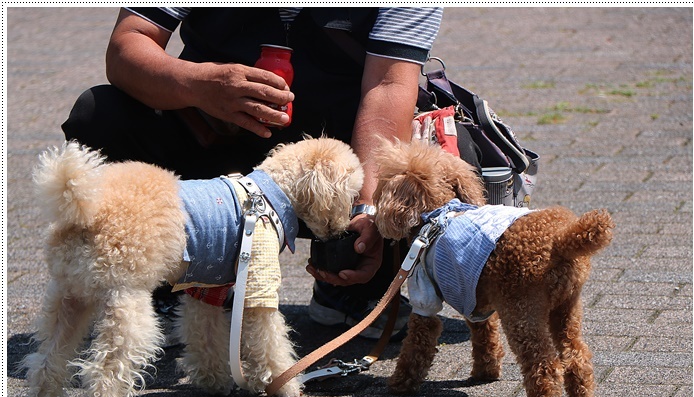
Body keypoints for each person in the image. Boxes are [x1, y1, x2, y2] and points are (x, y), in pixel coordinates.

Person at [62, 6, 443, 339]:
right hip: (214, 141)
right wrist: (198, 84)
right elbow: (127, 44)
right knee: (100, 115)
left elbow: (388, 85)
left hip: (332, 164)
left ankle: (346, 278)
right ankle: (166, 278)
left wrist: (368, 208)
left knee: (432, 173)